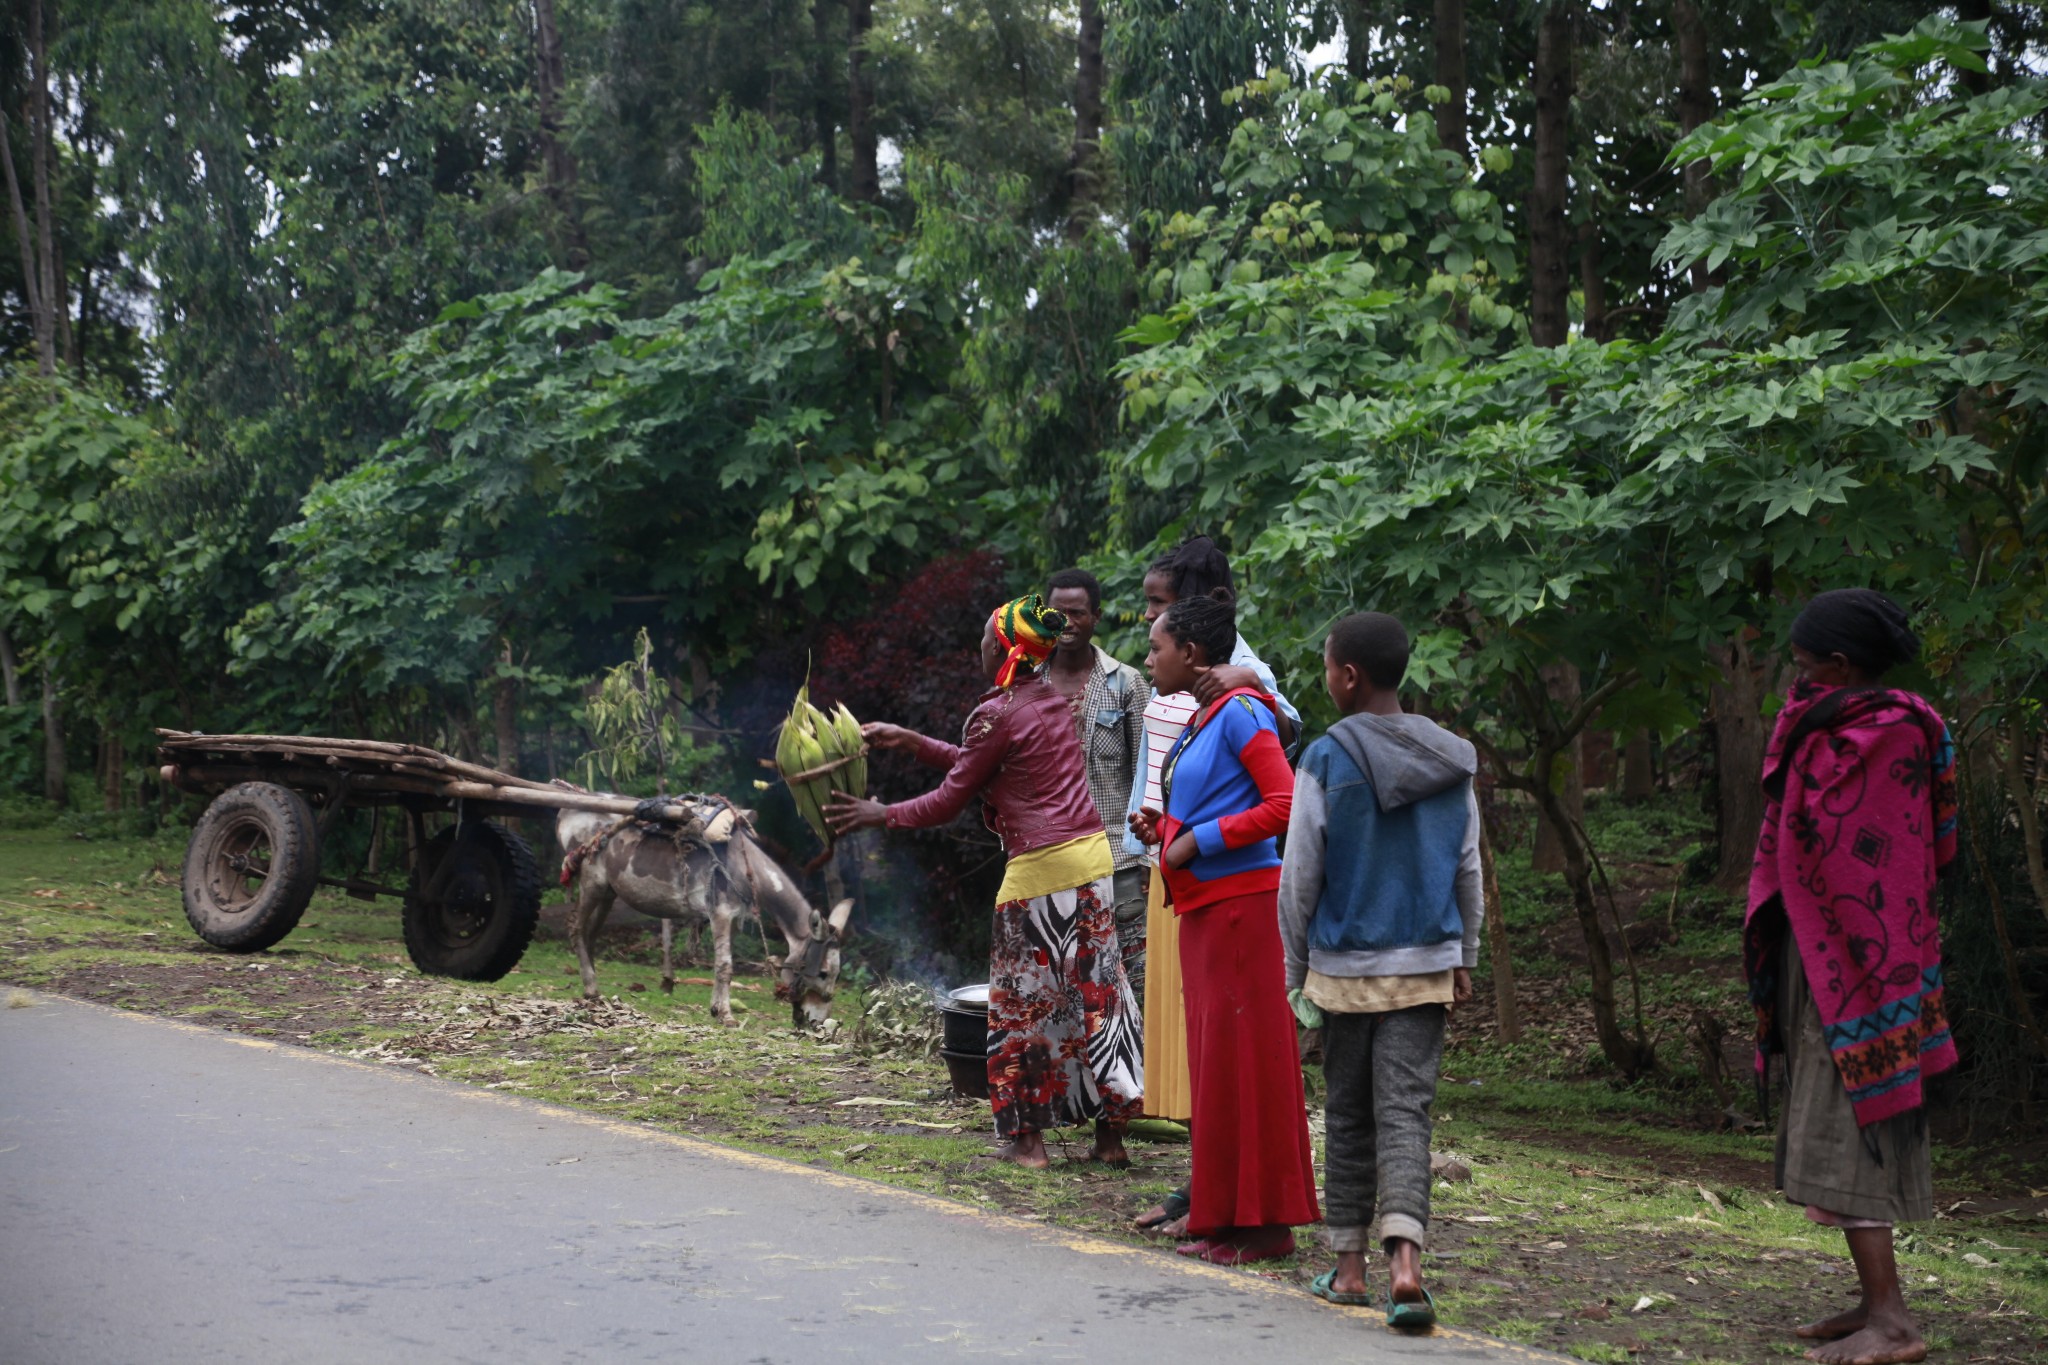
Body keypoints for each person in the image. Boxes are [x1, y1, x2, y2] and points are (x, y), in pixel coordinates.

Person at [825, 593, 1143, 1170]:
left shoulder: (995, 713)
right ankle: (1111, 1140)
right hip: (1094, 868)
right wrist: (915, 741)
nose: (977, 648)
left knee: (1026, 1011)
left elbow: (953, 797)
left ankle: (1029, 1145)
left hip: (1039, 878)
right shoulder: (1050, 700)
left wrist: (881, 814)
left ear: (1002, 648)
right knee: (1099, 1003)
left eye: (982, 640)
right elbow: (987, 762)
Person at [1745, 588, 1958, 1365]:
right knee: (1832, 1122)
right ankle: (1873, 1302)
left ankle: (1894, 1322)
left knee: (1852, 1127)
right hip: (1821, 949)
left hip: (1868, 965)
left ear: (1840, 666)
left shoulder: (1889, 736)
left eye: (1805, 669)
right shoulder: (1828, 726)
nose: (1794, 684)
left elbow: (1889, 849)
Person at [1277, 611, 1480, 1329]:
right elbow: (1467, 866)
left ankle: (1351, 1266)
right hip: (1425, 967)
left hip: (1342, 970)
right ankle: (1408, 1267)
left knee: (1348, 1114)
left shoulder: (1326, 757)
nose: (1327, 676)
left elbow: (1300, 875)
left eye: (1329, 666)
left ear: (1350, 675)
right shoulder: (1453, 757)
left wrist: (1294, 973)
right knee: (1406, 1115)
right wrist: (1466, 955)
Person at [1129, 589, 1318, 1264]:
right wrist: (1166, 830)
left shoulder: (1240, 711)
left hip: (1243, 910)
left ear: (1193, 652)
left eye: (1157, 646)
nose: (1148, 658)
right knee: (1217, 1070)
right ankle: (1219, 1213)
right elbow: (1219, 798)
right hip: (1208, 910)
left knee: (1246, 1068)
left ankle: (1265, 1226)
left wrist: (1198, 840)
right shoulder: (1202, 715)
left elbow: (1284, 804)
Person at [1044, 567, 1153, 1003]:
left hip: (1118, 863)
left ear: (1097, 617)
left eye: (1077, 612)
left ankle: (1144, 1072)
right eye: (1057, 612)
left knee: (1134, 984)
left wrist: (1149, 858)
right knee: (1061, 983)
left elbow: (1150, 776)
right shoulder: (1026, 683)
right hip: (1050, 857)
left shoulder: (1127, 684)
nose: (1067, 622)